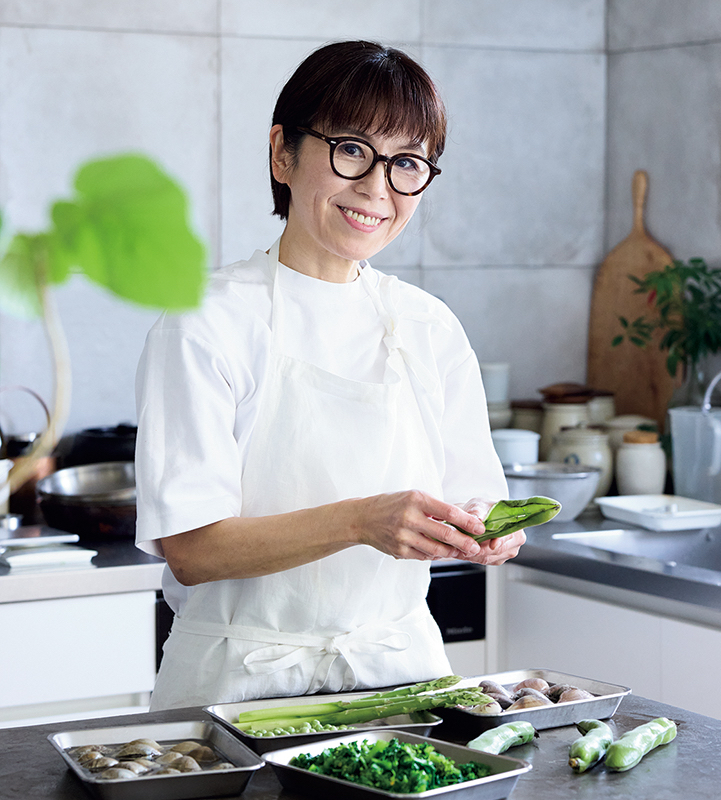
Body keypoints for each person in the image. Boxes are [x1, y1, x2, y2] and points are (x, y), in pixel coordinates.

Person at [135, 40, 524, 711]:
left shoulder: (428, 327)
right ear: (283, 153)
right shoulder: (204, 322)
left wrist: (485, 526)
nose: (377, 189)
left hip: (402, 683)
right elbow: (191, 549)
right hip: (239, 687)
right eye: (351, 150)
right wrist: (360, 521)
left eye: (406, 163)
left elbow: (475, 500)